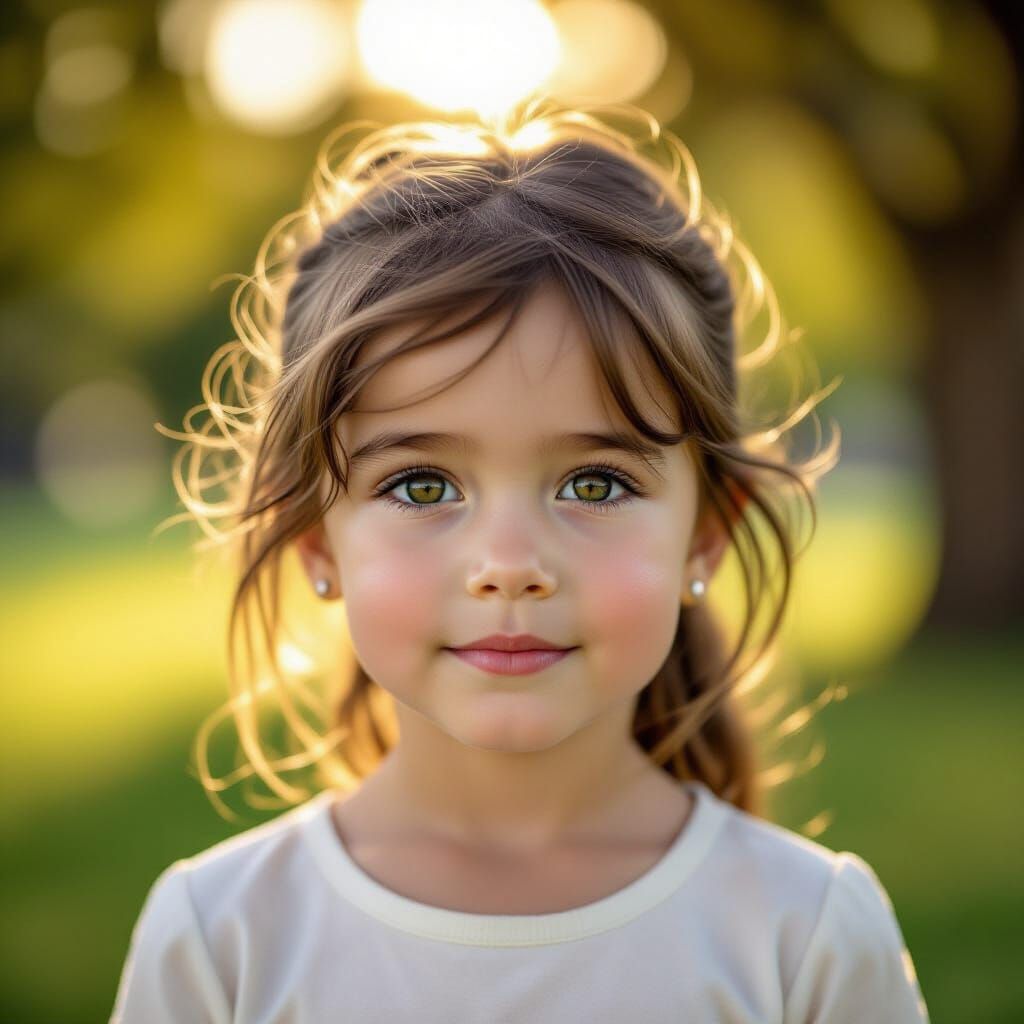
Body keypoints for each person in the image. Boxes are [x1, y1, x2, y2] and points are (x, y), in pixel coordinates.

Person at [111, 100, 930, 1022]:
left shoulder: (804, 934)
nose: (508, 565)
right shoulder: (222, 939)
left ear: (704, 534)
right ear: (315, 539)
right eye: (422, 485)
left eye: (595, 483)